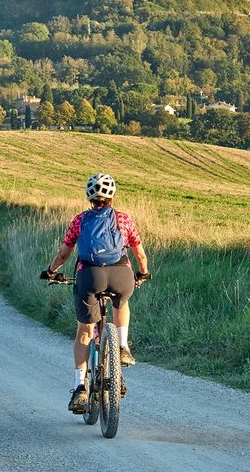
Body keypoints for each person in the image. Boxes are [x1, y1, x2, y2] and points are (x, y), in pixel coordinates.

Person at [40, 173, 151, 413]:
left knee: (85, 330)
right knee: (121, 304)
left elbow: (63, 254)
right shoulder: (124, 219)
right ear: (112, 196)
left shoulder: (80, 220)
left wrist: (51, 271)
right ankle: (122, 346)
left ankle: (80, 388)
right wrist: (142, 274)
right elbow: (140, 255)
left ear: (89, 196)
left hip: (89, 276)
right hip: (121, 275)